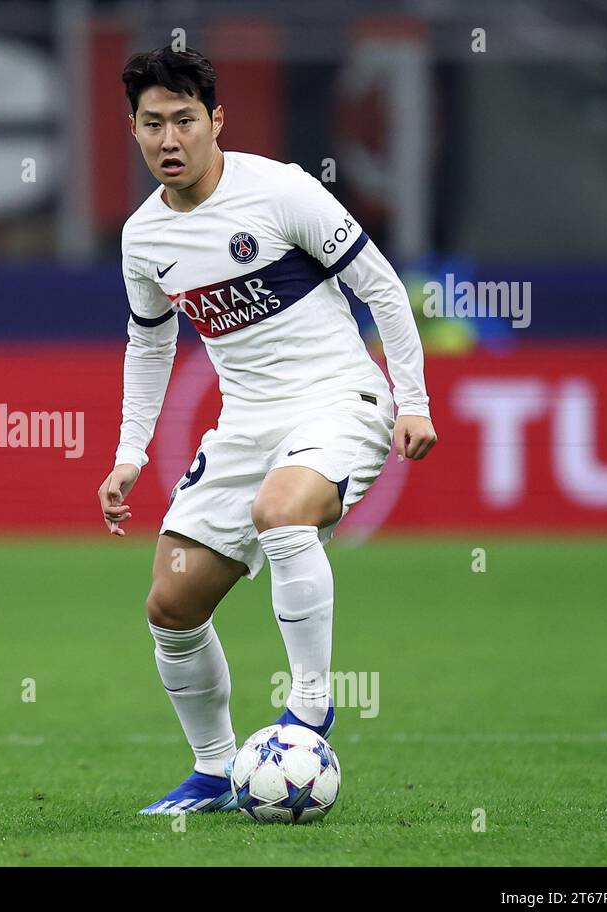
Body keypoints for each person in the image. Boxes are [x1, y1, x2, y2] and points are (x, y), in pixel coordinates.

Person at [96, 47, 437, 814]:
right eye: (154, 124)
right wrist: (128, 454)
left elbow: (381, 287)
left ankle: (312, 707)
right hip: (245, 426)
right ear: (134, 131)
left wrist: (411, 399)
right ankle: (215, 770)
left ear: (216, 120)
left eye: (185, 120)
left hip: (337, 401)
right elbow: (150, 344)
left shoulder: (280, 190)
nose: (170, 139)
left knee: (281, 513)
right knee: (171, 606)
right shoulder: (143, 238)